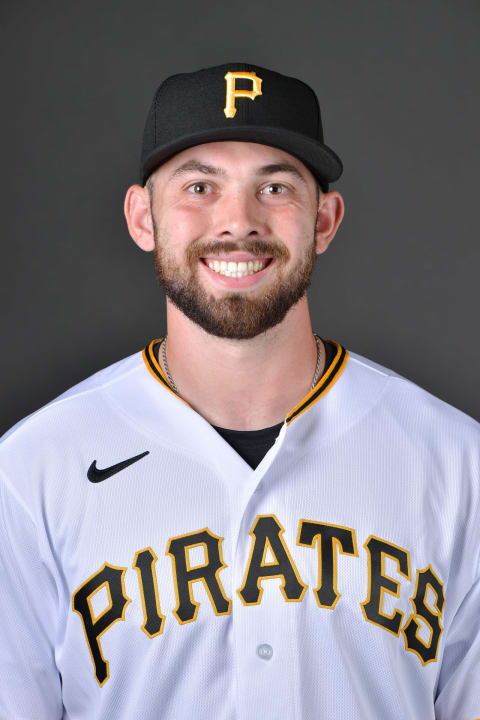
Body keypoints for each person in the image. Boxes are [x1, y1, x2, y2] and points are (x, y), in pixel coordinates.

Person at [0, 62, 478, 720]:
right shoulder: (31, 471)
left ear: (325, 221)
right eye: (200, 185)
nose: (238, 221)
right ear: (143, 218)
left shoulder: (460, 464)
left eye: (275, 187)